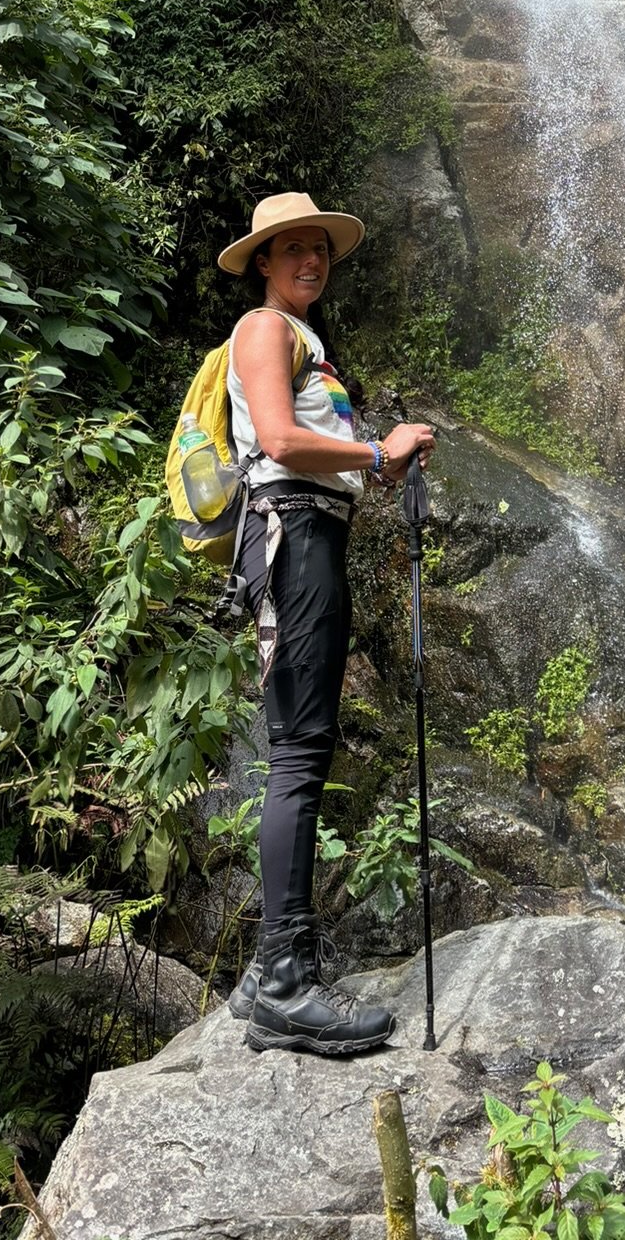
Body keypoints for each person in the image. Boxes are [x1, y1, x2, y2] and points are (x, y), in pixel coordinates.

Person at [216, 190, 435, 1057]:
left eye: (321, 251)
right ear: (264, 262)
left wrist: (387, 456)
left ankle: (268, 974)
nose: (311, 261)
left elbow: (340, 464)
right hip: (290, 535)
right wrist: (377, 450)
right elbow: (277, 437)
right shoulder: (264, 330)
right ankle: (283, 982)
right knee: (301, 754)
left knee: (304, 749)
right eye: (292, 249)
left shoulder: (311, 346)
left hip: (315, 531)